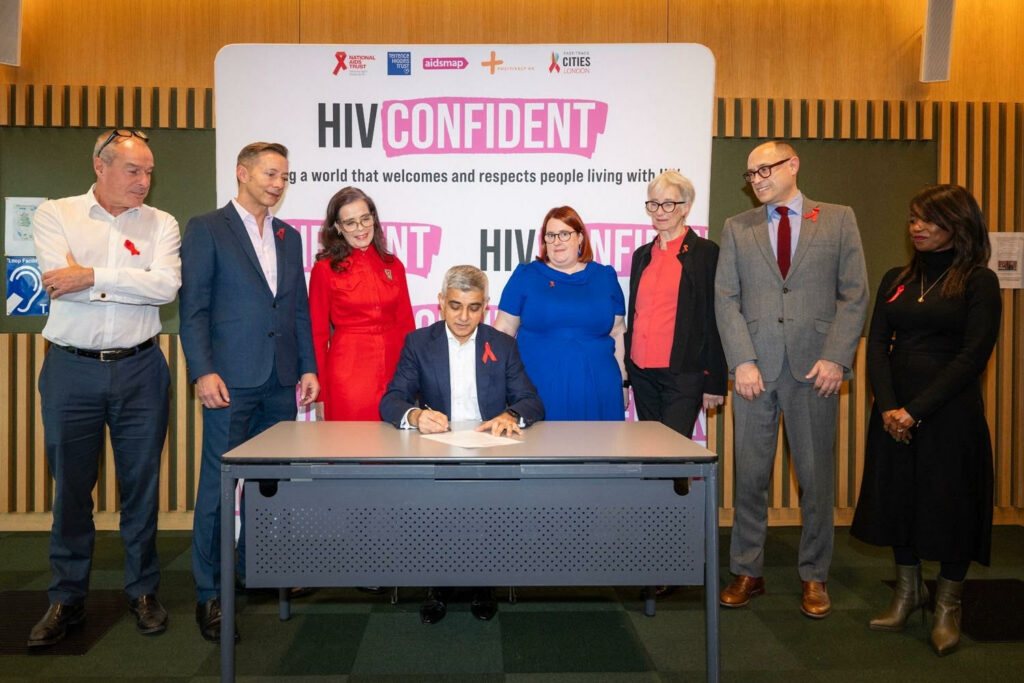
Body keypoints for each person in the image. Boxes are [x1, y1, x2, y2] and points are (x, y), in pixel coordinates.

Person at [28, 128, 181, 647]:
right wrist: (122, 279)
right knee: (71, 488)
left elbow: (165, 287)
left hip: (141, 369)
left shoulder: (162, 223)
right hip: (71, 369)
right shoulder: (56, 214)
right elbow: (56, 281)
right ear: (101, 166)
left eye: (149, 172)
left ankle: (142, 591)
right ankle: (67, 597)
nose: (145, 182)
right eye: (134, 171)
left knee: (141, 486)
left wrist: (90, 274)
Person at [714, 141, 868, 618]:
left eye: (765, 169)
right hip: (754, 374)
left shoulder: (839, 219)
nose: (756, 179)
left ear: (793, 164)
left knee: (817, 480)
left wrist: (836, 358)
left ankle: (815, 576)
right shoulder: (738, 228)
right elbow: (726, 299)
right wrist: (741, 361)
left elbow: (855, 294)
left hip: (815, 371)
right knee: (750, 479)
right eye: (750, 173)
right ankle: (747, 570)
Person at [851, 185, 1000, 655]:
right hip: (894, 411)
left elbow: (973, 355)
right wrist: (891, 405)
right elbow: (877, 344)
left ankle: (947, 606)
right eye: (913, 218)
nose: (916, 227)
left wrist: (916, 411)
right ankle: (907, 593)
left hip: (949, 414)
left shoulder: (978, 281)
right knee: (899, 499)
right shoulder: (897, 277)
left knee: (950, 504)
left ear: (957, 226)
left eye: (928, 220)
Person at [179, 142, 319, 642]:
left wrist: (307, 367)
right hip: (230, 383)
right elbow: (193, 308)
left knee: (269, 487)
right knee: (219, 489)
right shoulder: (207, 229)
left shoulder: (289, 236)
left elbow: (297, 308)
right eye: (269, 173)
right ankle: (210, 593)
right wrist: (202, 371)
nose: (278, 183)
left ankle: (256, 571)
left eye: (284, 176)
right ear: (242, 173)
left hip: (281, 383)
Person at [380, 265, 544, 623]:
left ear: (485, 306)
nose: (464, 317)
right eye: (455, 306)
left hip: (490, 451)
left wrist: (510, 416)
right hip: (437, 449)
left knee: (488, 500)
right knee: (433, 502)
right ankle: (435, 584)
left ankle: (484, 583)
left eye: (473, 307)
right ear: (440, 302)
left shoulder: (502, 344)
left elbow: (531, 401)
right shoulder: (419, 342)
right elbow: (392, 399)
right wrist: (415, 416)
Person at [494, 206, 626, 420]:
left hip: (601, 389)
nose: (557, 241)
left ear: (580, 237)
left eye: (565, 234)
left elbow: (618, 332)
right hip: (539, 389)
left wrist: (624, 384)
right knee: (543, 450)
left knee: (602, 449)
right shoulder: (525, 277)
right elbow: (503, 332)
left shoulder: (605, 277)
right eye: (551, 235)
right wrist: (499, 385)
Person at [625, 170, 727, 438]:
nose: (660, 211)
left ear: (686, 208)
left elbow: (716, 319)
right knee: (649, 453)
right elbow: (634, 316)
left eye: (669, 203)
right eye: (653, 204)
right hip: (642, 372)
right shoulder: (642, 255)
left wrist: (715, 381)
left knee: (672, 455)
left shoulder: (706, 253)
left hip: (683, 374)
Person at [309, 187, 414, 420]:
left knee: (394, 446)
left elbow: (407, 326)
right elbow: (317, 335)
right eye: (350, 222)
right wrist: (322, 395)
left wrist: (412, 379)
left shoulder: (394, 265)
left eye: (365, 219)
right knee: (351, 447)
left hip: (394, 373)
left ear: (374, 218)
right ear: (337, 227)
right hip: (348, 374)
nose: (360, 228)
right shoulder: (324, 270)